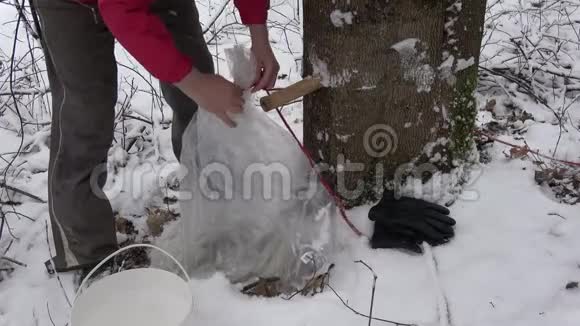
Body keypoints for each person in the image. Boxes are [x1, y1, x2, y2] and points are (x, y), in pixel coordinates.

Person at [34, 0, 279, 273]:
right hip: (73, 4)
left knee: (201, 108)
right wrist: (197, 85)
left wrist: (259, 35)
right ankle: (85, 254)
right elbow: (121, 10)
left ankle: (214, 216)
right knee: (85, 115)